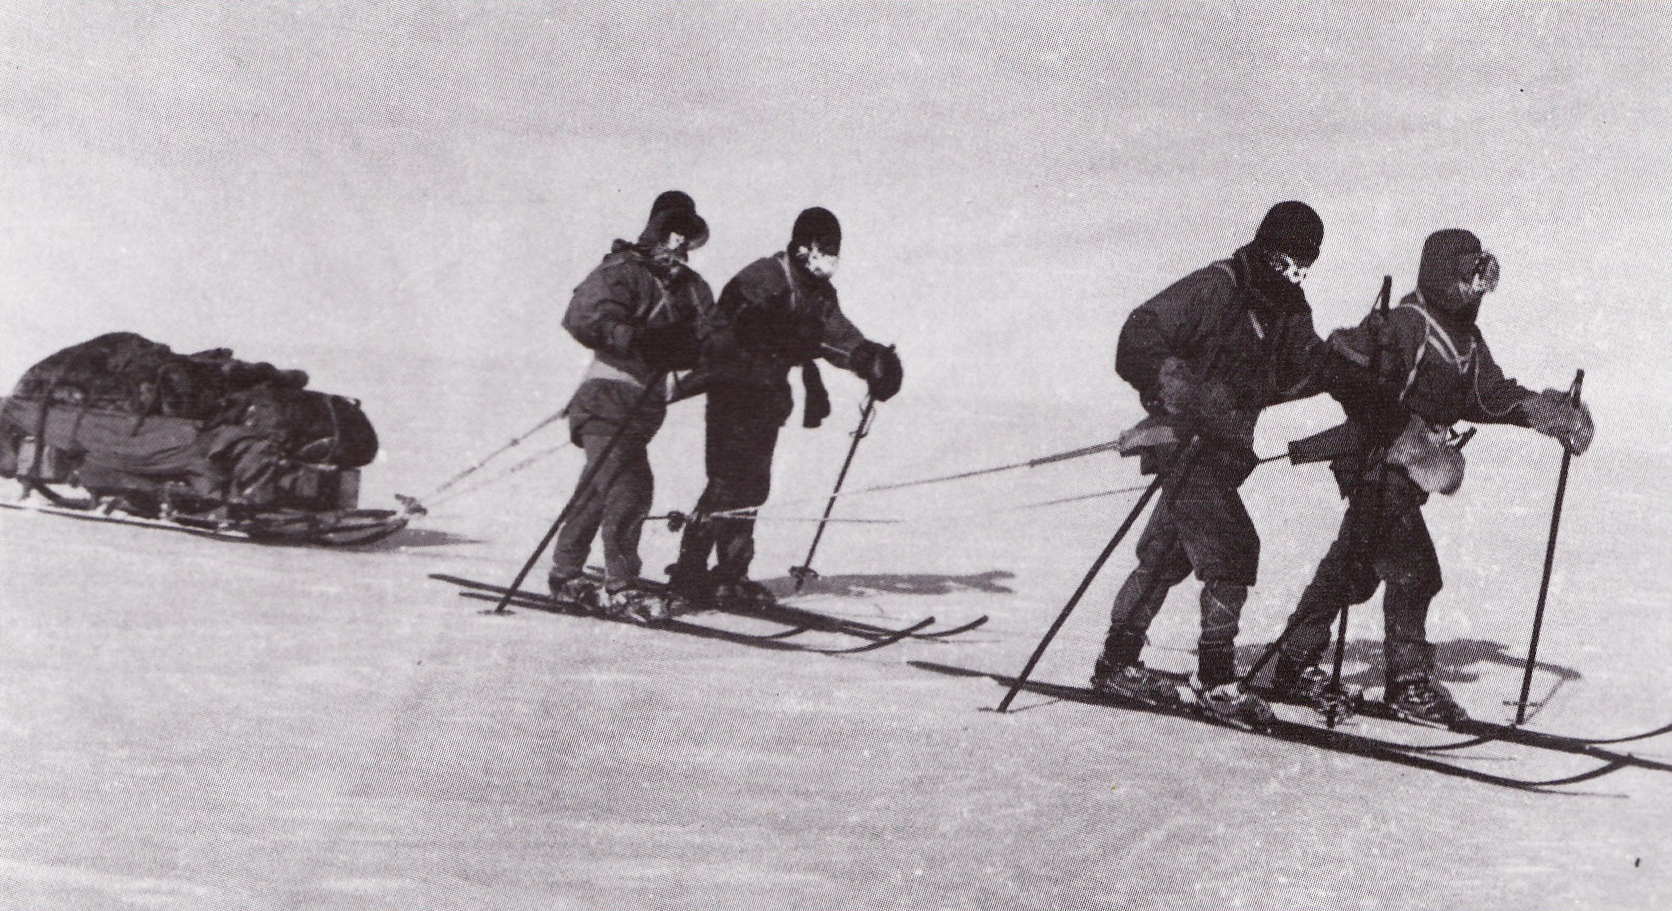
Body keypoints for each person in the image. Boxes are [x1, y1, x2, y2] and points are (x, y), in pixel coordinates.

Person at [1268, 228, 1594, 724]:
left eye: (1481, 274)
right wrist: (1364, 370)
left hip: (1410, 470)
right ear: (1443, 272)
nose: (1476, 285)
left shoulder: (1465, 340)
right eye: (1467, 273)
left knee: (1352, 570)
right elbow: (1338, 360)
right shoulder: (1407, 323)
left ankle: (1294, 659)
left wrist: (1543, 412)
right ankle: (1408, 682)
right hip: (1376, 464)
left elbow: (1487, 397)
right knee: (1415, 572)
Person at [1091, 201, 1353, 727]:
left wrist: (1347, 370)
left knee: (1167, 555)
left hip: (1228, 448)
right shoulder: (1218, 287)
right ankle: (1215, 679)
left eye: (1307, 262)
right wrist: (1179, 387)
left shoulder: (1288, 307)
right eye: (1287, 259)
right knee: (1233, 548)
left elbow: (1303, 364)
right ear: (1264, 247)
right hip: (1186, 443)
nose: (1297, 272)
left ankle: (1117, 662)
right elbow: (1139, 334)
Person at [668, 207, 902, 607]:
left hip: (768, 394)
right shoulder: (764, 275)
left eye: (836, 248)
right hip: (734, 387)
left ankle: (730, 575)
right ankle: (690, 572)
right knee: (727, 479)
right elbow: (728, 327)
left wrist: (869, 358)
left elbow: (835, 333)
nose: (832, 256)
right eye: (825, 247)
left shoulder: (819, 293)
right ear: (802, 246)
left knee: (753, 484)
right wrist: (773, 336)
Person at [547, 191, 714, 621]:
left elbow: (712, 339)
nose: (679, 243)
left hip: (643, 408)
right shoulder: (624, 271)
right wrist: (639, 339)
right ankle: (621, 584)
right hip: (606, 397)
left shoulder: (693, 290)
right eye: (672, 231)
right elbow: (583, 316)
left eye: (687, 235)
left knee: (599, 490)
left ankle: (566, 572)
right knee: (629, 485)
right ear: (657, 229)